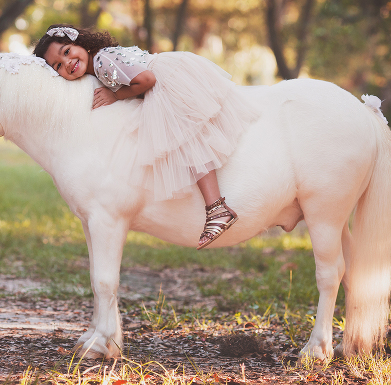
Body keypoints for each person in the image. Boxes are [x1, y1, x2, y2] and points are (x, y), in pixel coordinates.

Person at [33, 24, 256, 249]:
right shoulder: (100, 62)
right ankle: (214, 207)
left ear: (80, 43)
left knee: (186, 136)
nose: (67, 62)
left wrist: (115, 95)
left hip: (166, 79)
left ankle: (217, 208)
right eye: (58, 65)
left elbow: (147, 80)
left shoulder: (102, 61)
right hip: (165, 76)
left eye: (67, 51)